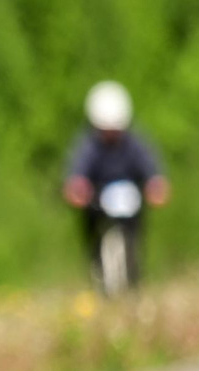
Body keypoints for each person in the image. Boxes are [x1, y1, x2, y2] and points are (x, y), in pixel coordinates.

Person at [62, 80, 172, 270]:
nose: (111, 134)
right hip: (97, 202)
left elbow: (149, 166)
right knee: (92, 232)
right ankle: (97, 269)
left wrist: (156, 185)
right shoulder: (88, 144)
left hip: (130, 200)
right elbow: (78, 170)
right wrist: (77, 188)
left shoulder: (135, 141)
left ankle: (133, 275)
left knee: (136, 236)